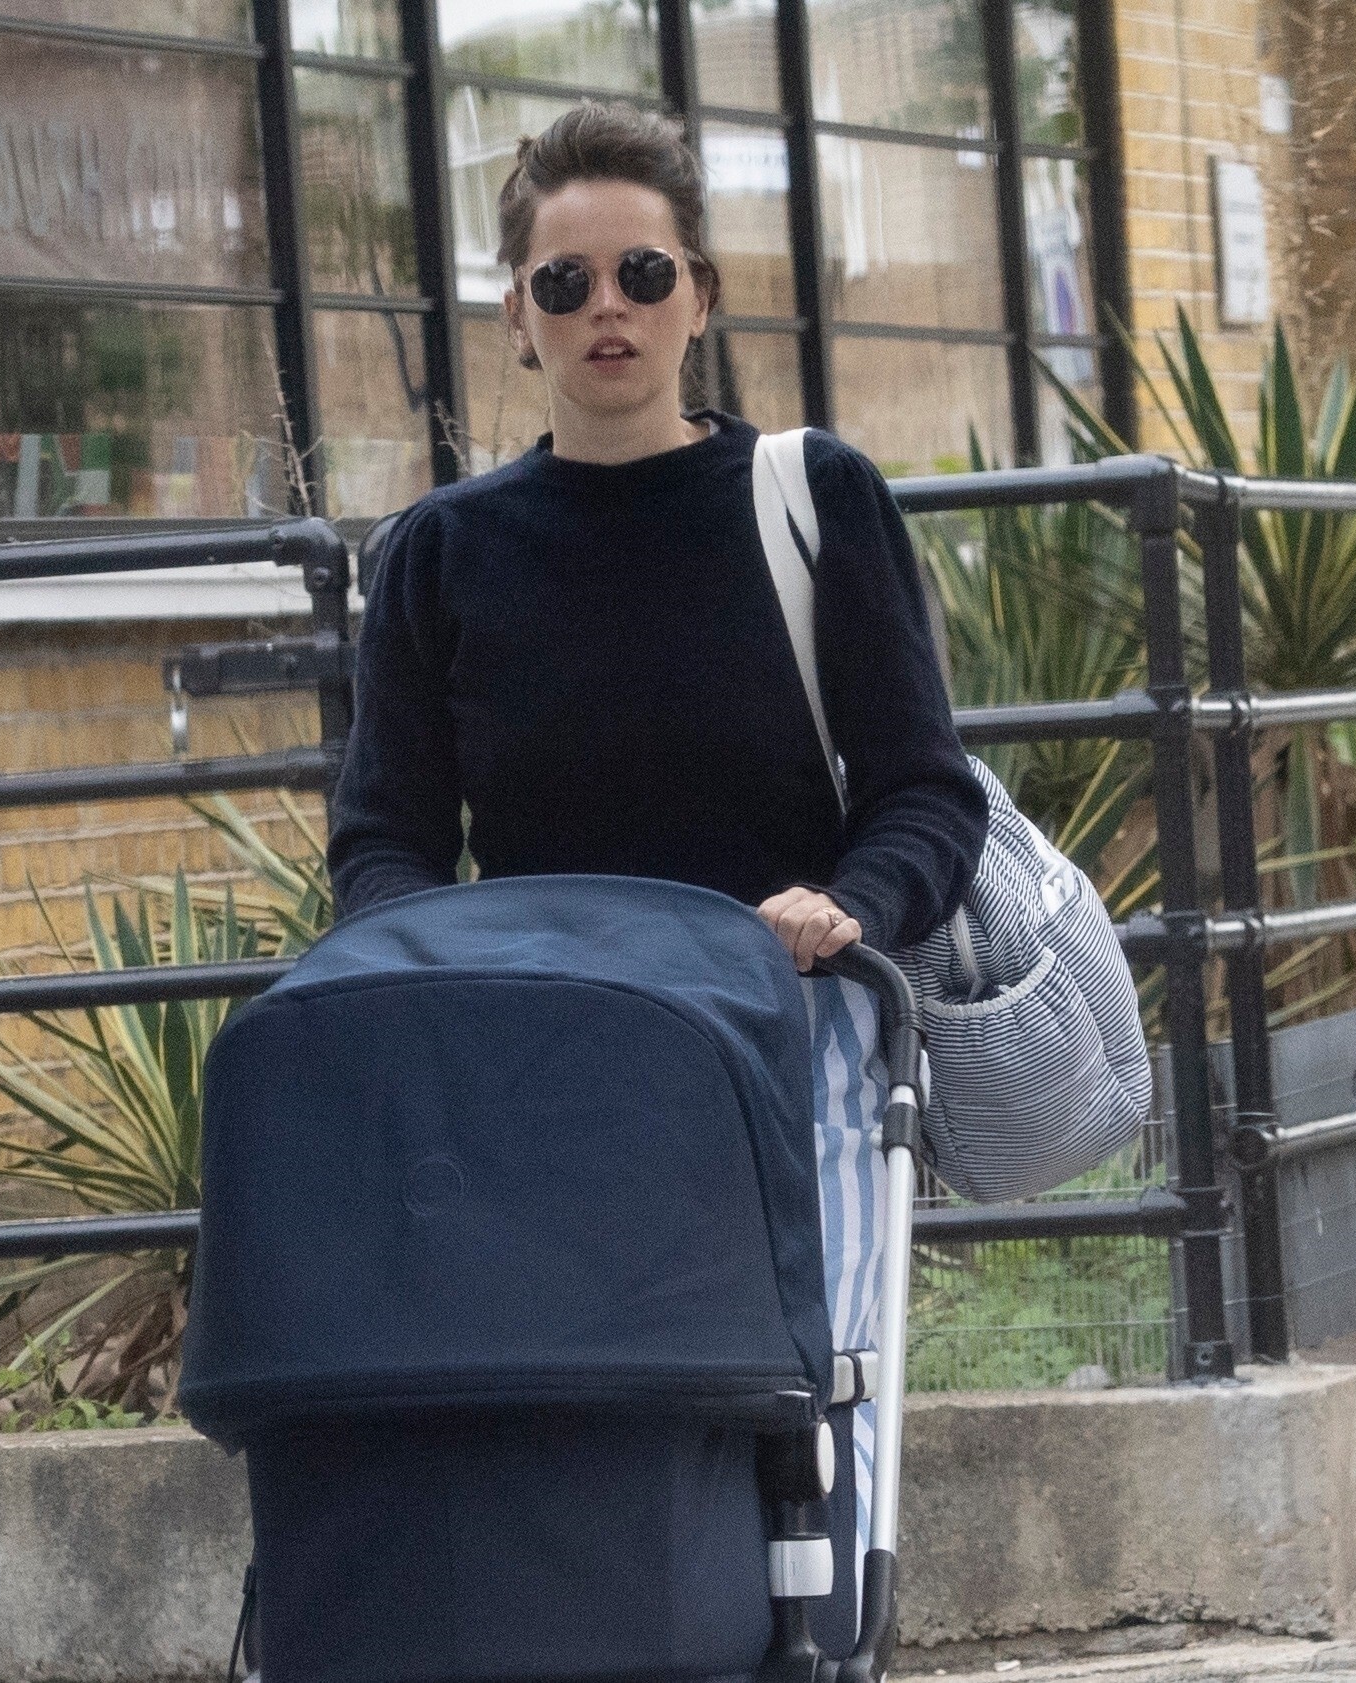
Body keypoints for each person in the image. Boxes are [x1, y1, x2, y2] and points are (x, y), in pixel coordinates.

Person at [325, 99, 987, 1653]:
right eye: (565, 284)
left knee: (795, 1424)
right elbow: (384, 841)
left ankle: (818, 1651)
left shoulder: (813, 501)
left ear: (700, 293)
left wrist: (850, 908)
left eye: (641, 273)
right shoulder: (440, 555)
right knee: (576, 1436)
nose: (604, 309)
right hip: (538, 1067)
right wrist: (442, 966)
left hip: (787, 1041)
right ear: (516, 316)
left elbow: (921, 793)